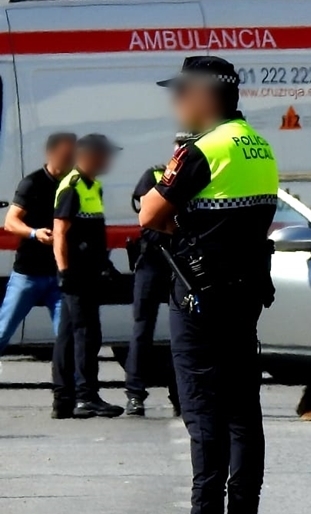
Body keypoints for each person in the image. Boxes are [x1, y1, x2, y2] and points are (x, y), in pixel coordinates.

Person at [139, 56, 278, 514]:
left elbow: (151, 214)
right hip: (242, 298)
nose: (177, 101)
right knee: (244, 416)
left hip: (200, 299)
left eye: (181, 92)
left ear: (203, 95)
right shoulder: (257, 144)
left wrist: (178, 217)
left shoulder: (203, 150)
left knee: (204, 416)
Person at [51, 134, 124, 419]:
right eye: (104, 154)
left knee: (69, 336)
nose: (108, 160)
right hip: (77, 276)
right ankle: (86, 397)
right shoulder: (72, 187)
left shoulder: (94, 187)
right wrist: (65, 272)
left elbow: (92, 235)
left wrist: (104, 263)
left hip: (90, 273)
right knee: (87, 335)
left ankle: (64, 399)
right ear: (88, 155)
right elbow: (60, 233)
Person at [124, 133, 192, 417]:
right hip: (153, 260)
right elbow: (147, 216)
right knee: (142, 330)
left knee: (183, 333)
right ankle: (135, 395)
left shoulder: (198, 176)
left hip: (179, 262)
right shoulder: (154, 174)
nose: (183, 151)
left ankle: (180, 396)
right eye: (180, 146)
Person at [0, 133, 76, 364]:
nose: (71, 159)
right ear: (51, 154)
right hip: (28, 274)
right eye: (66, 154)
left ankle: (73, 393)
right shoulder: (33, 183)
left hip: (59, 274)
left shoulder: (75, 184)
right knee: (3, 331)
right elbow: (11, 222)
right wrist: (35, 234)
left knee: (66, 336)